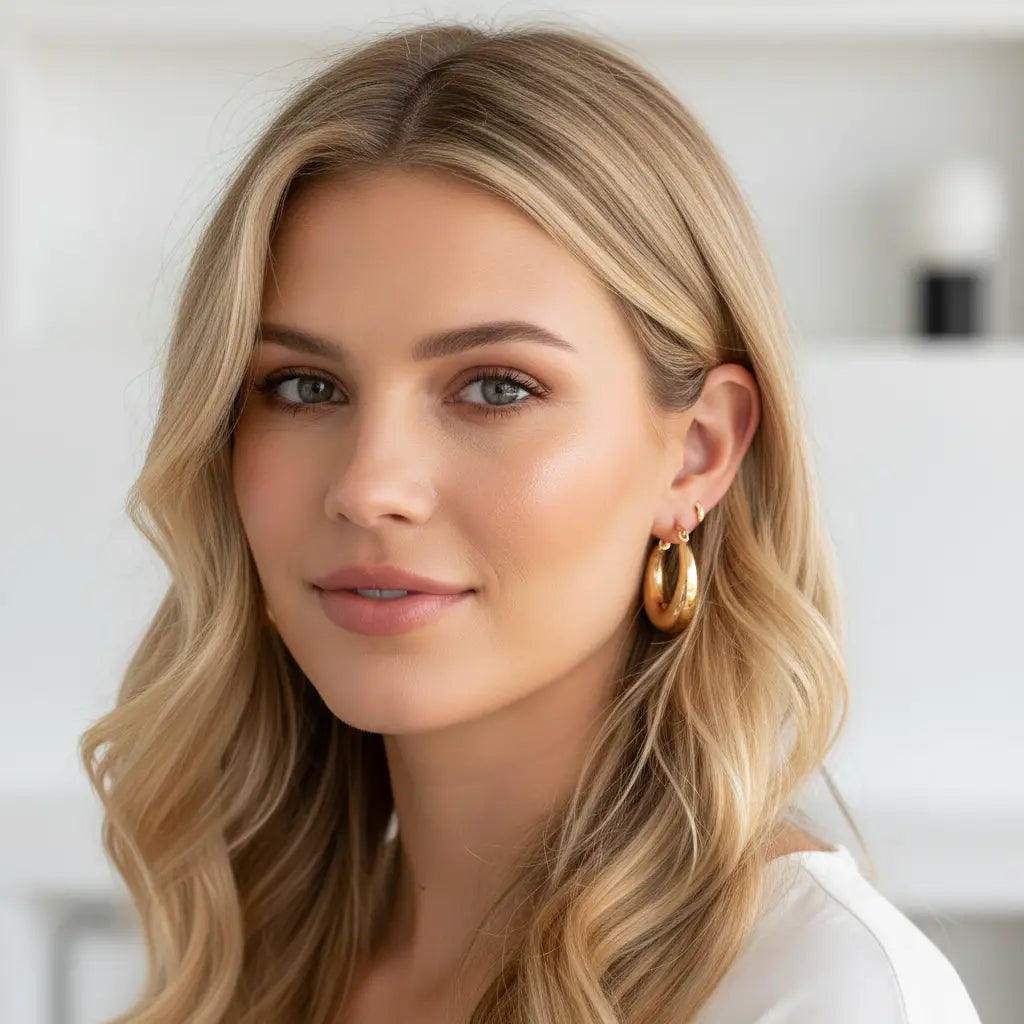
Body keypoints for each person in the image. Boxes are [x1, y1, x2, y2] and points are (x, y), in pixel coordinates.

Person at [80, 20, 982, 1024]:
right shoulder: (245, 957)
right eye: (302, 384)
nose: (370, 484)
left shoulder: (816, 993)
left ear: (698, 450)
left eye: (495, 387)